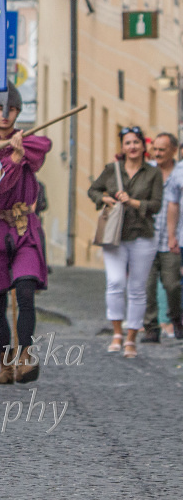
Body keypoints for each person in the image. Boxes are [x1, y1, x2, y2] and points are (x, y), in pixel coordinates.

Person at [0, 87, 50, 383]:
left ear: (18, 112)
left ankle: (25, 356)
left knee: (26, 288)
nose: (4, 115)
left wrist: (20, 148)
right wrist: (13, 160)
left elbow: (43, 145)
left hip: (23, 225)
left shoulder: (27, 140)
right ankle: (5, 365)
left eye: (11, 110)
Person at [88, 126, 163, 358]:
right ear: (122, 147)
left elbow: (156, 205)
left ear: (143, 146)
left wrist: (133, 202)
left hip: (142, 235)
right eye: (128, 143)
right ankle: (117, 333)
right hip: (115, 236)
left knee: (137, 289)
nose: (132, 147)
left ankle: (131, 338)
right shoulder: (112, 170)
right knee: (115, 282)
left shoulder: (153, 173)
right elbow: (93, 190)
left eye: (136, 142)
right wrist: (105, 199)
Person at [143, 133, 183, 342]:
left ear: (173, 151)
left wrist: (175, 236)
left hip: (172, 240)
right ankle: (151, 328)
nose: (157, 153)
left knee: (172, 284)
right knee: (147, 287)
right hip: (147, 239)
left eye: (162, 150)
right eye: (155, 149)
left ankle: (177, 319)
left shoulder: (180, 172)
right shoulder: (147, 171)